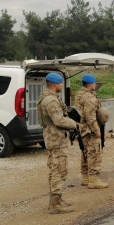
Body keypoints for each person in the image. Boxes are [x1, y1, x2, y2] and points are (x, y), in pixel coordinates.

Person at [37, 73, 77, 214]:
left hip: (55, 138)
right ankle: (54, 204)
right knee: (59, 170)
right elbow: (59, 120)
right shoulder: (51, 101)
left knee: (57, 169)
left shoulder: (48, 97)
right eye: (60, 83)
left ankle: (57, 199)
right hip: (56, 140)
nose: (62, 86)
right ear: (55, 84)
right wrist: (74, 124)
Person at [75, 74, 108, 189]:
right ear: (90, 84)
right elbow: (90, 117)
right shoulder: (90, 98)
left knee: (85, 153)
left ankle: (85, 178)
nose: (95, 85)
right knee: (94, 153)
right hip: (90, 130)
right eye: (94, 83)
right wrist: (96, 131)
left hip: (82, 129)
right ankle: (93, 180)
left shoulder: (80, 95)